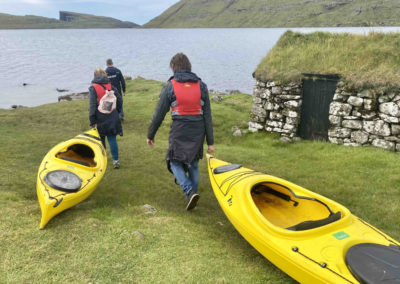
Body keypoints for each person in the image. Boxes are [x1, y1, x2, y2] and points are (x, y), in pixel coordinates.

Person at [147, 53, 214, 211]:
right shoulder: (201, 85)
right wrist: (210, 142)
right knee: (194, 163)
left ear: (174, 67)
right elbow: (207, 115)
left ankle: (189, 192)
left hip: (180, 129)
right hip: (198, 129)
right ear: (189, 66)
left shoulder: (170, 85)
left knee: (174, 161)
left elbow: (159, 113)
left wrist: (151, 134)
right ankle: (193, 195)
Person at [89, 67, 123, 169]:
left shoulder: (93, 87)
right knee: (112, 138)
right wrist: (118, 111)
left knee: (101, 140)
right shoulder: (110, 85)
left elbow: (92, 105)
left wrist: (92, 120)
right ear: (104, 75)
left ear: (95, 76)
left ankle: (102, 160)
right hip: (112, 115)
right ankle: (116, 161)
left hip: (100, 117)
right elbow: (119, 99)